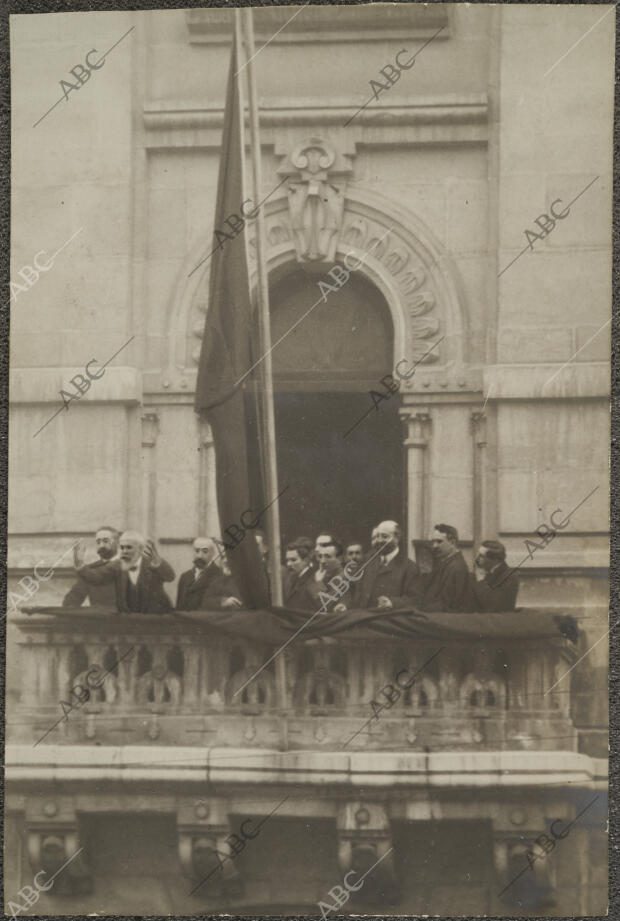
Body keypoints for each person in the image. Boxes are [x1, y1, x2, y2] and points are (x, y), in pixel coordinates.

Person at [74, 531, 175, 614]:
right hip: (129, 619)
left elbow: (170, 576)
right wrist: (80, 564)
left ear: (140, 548)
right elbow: (96, 577)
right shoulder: (117, 565)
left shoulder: (152, 563)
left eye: (129, 547)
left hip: (157, 618)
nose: (125, 551)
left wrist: (158, 563)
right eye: (122, 547)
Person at [356, 520, 421, 610]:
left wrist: (392, 602)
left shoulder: (410, 568)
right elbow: (354, 589)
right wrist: (344, 604)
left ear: (397, 537)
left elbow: (415, 599)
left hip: (388, 619)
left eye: (385, 536)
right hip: (361, 616)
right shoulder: (367, 561)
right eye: (378, 536)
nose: (379, 540)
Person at [416, 524, 470, 612]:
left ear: (452, 542)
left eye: (439, 541)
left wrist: (418, 609)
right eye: (433, 542)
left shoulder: (457, 568)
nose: (434, 546)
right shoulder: (444, 561)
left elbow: (447, 604)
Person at [63, 526, 120, 607]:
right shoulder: (91, 569)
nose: (101, 545)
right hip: (99, 619)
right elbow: (72, 599)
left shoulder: (129, 566)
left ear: (117, 542)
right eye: (98, 542)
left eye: (106, 541)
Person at [468, 540, 519, 611]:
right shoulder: (485, 571)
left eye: (481, 556)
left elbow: (492, 605)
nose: (476, 559)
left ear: (495, 560)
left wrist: (480, 580)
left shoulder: (509, 578)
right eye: (478, 554)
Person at [176, 537, 221, 610]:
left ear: (213, 553)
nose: (200, 555)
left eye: (205, 551)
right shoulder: (185, 577)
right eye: (197, 551)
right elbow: (179, 608)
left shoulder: (219, 575)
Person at [283, 540, 323, 611]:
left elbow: (319, 606)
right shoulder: (291, 579)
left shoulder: (314, 578)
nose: (288, 564)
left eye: (293, 560)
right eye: (287, 560)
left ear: (306, 561)